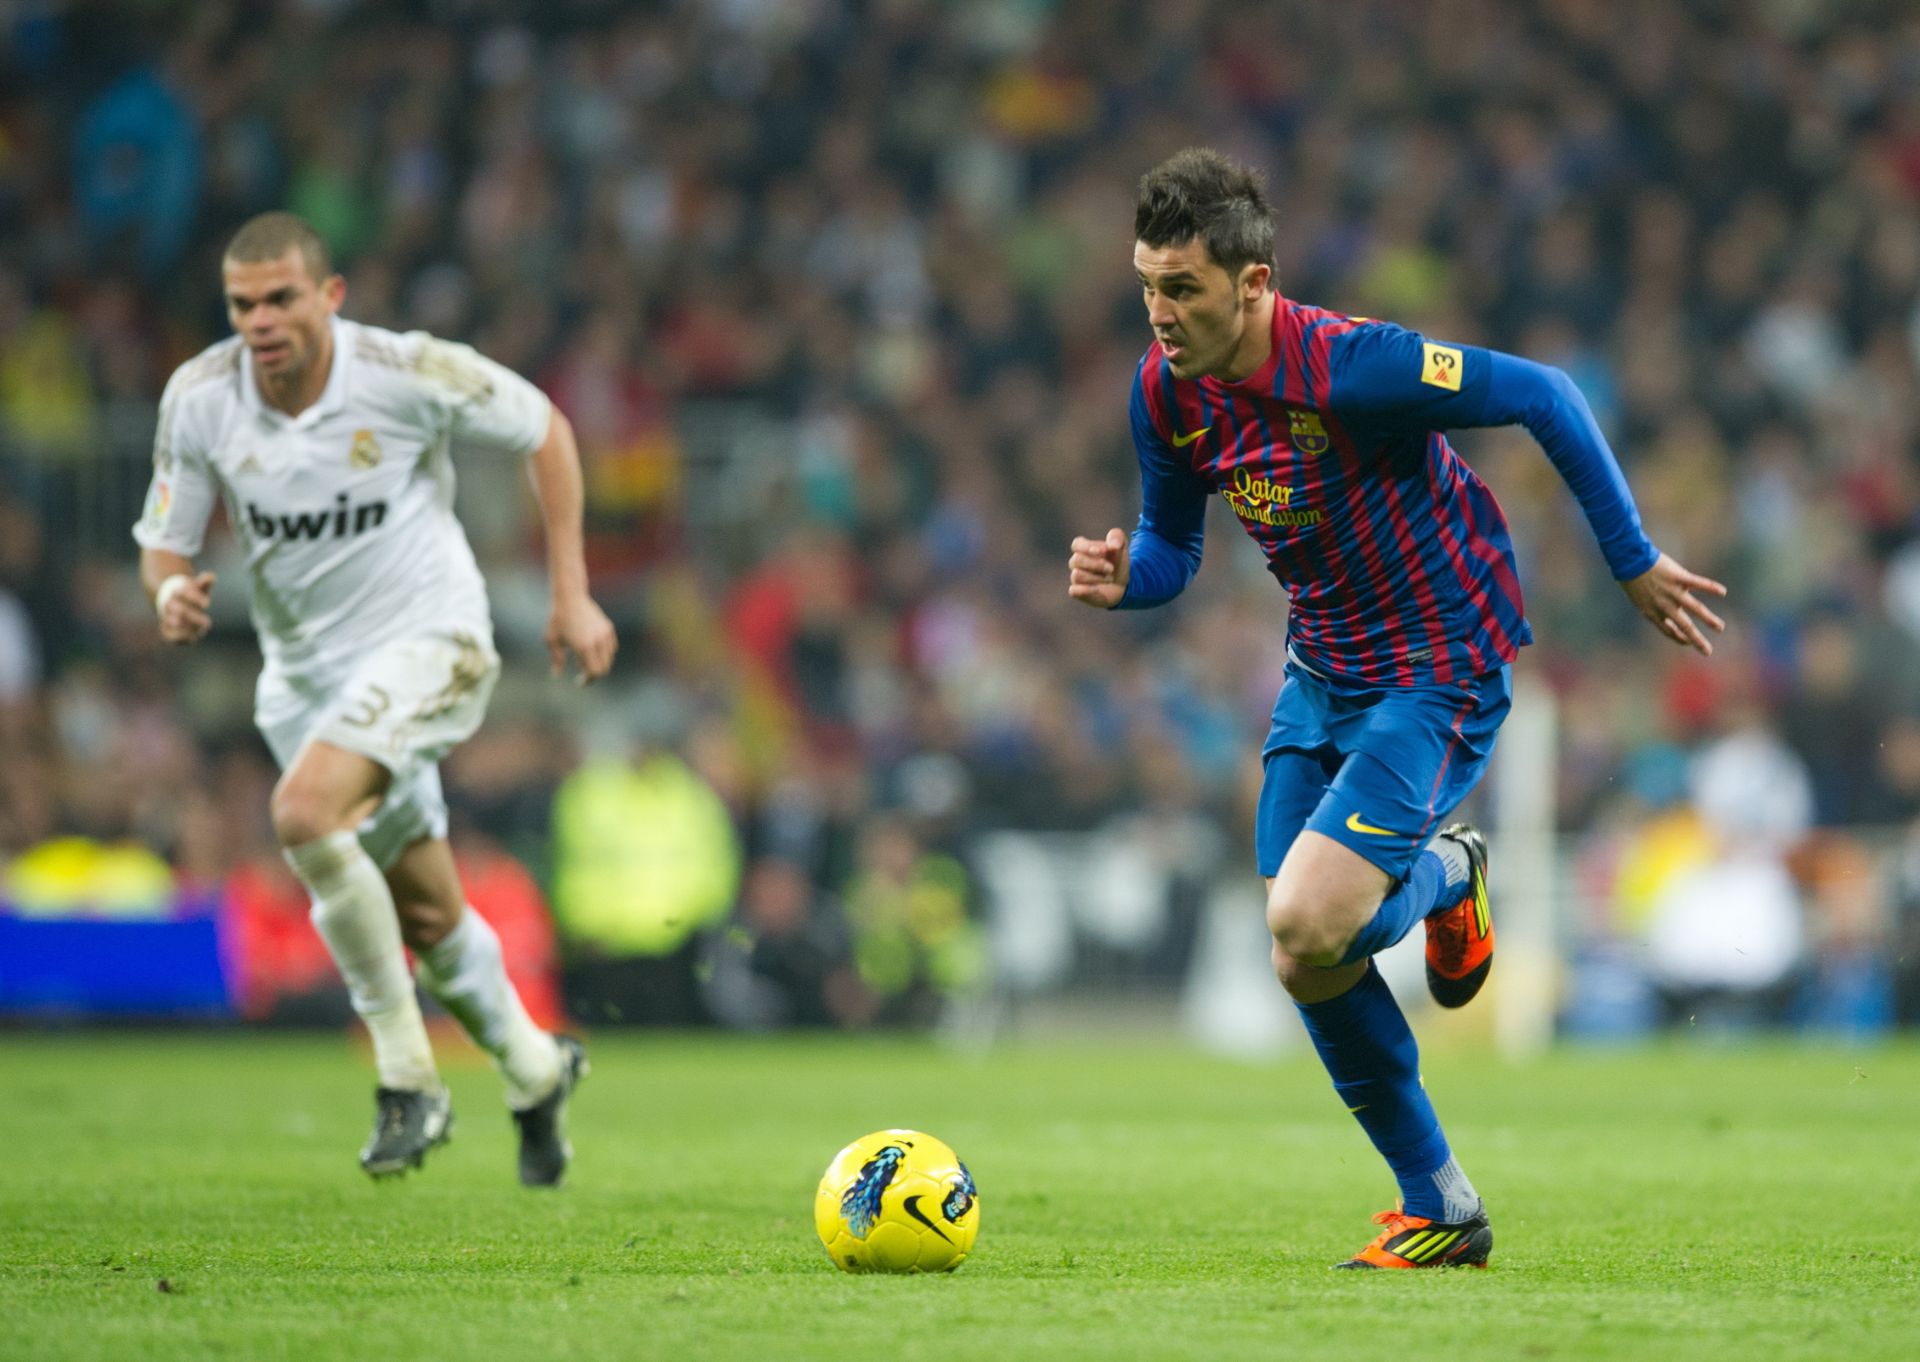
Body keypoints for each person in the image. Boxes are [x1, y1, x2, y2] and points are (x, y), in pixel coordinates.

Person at [1068, 150, 1726, 1268]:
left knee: (1304, 920)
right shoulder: (1165, 393)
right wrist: (1130, 576)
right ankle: (1443, 1205)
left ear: (1255, 282)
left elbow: (1545, 395)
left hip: (1439, 663)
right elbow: (1178, 542)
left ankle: (1448, 873)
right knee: (1303, 953)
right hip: (1323, 672)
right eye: (1147, 285)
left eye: (1182, 288)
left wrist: (1630, 560)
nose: (1161, 313)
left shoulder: (1356, 370)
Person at [134, 212, 617, 1186]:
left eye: (280, 298)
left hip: (431, 642)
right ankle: (533, 1068)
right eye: (241, 304)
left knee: (304, 814)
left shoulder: (406, 372)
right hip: (305, 681)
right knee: (431, 918)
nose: (259, 321)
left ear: (331, 296)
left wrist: (570, 590)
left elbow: (547, 431)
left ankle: (408, 1079)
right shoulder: (199, 397)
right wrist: (168, 591)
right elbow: (164, 536)